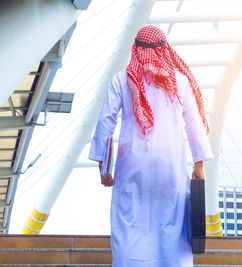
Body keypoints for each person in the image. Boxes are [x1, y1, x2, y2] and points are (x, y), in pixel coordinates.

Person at [89, 25, 213, 267]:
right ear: (165, 49)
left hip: (132, 167)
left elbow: (106, 123)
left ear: (136, 50)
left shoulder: (122, 80)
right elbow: (194, 125)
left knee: (129, 225)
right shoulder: (179, 82)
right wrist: (199, 166)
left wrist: (104, 169)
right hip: (169, 168)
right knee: (171, 227)